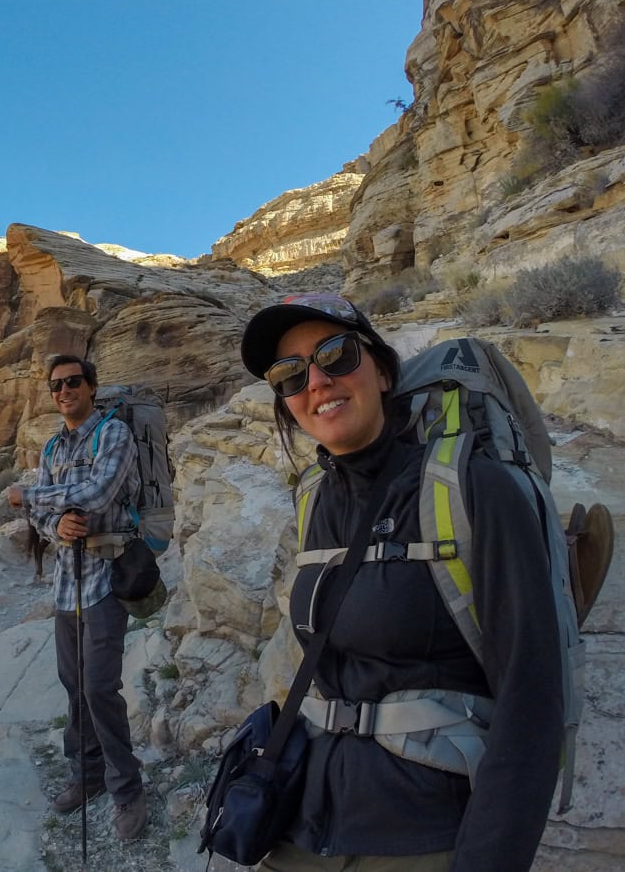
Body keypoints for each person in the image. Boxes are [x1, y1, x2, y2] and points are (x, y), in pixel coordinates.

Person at [238, 294, 562, 872]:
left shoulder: (473, 489)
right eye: (289, 374)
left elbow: (532, 698)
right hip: (308, 821)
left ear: (383, 372)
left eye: (336, 355)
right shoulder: (314, 499)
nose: (316, 382)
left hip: (423, 831)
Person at [6, 354, 149, 842]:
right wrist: (56, 525)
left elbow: (97, 493)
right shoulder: (52, 447)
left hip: (107, 578)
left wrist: (29, 497)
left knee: (99, 687)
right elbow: (44, 520)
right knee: (74, 684)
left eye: (72, 382)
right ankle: (86, 774)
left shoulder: (114, 434)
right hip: (67, 583)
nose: (63, 391)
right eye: (56, 386)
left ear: (91, 386)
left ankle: (127, 789)